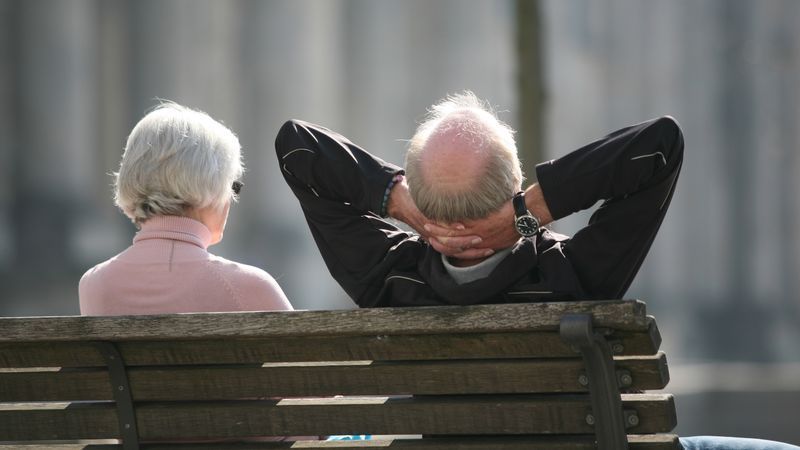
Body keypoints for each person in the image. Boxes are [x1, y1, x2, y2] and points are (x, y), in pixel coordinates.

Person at [275, 92, 799, 450]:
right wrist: (528, 215)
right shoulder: (570, 274)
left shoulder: (388, 277)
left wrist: (399, 202)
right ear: (517, 180)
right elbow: (660, 146)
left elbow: (297, 147)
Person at [80, 102, 292, 316]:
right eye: (232, 186)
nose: (232, 199)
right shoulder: (249, 286)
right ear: (211, 184)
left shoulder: (94, 284)